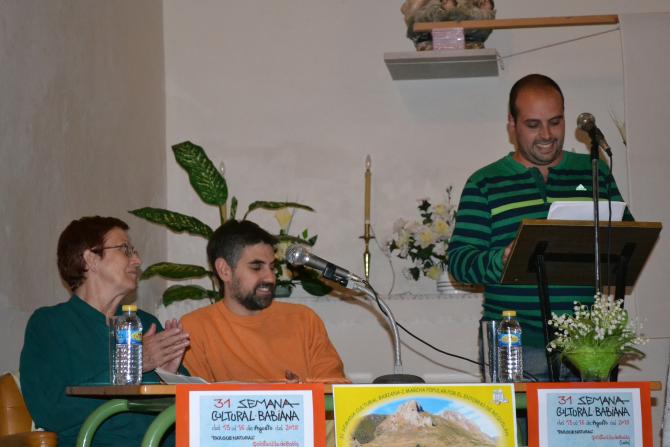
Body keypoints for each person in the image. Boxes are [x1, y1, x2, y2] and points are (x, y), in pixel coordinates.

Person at [447, 74, 633, 381]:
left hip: (587, 344)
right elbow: (459, 263)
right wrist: (500, 259)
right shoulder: (484, 182)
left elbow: (628, 242)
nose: (547, 135)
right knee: (519, 417)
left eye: (555, 122)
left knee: (588, 417)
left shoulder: (594, 172)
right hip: (514, 342)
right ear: (512, 124)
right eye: (533, 125)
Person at [20, 216, 190, 447]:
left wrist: (170, 376)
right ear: (91, 259)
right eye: (125, 250)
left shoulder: (145, 322)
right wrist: (131, 365)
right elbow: (50, 411)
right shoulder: (50, 324)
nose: (137, 260)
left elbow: (191, 409)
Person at [181, 219, 348, 384]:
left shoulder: (304, 320)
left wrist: (301, 394)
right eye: (256, 267)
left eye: (272, 267)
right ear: (224, 270)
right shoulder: (194, 330)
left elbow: (334, 393)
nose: (270, 278)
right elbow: (193, 398)